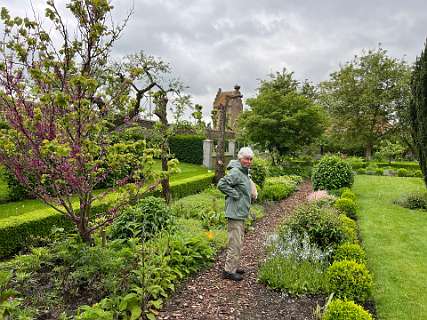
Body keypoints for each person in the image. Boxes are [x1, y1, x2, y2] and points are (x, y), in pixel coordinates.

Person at [217, 147, 255, 281]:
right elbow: (221, 184)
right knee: (235, 243)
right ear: (240, 159)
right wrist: (235, 194)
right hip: (235, 213)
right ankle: (228, 271)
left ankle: (234, 266)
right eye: (246, 159)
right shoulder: (236, 172)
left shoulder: (243, 172)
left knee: (238, 241)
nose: (249, 161)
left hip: (240, 212)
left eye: (250, 159)